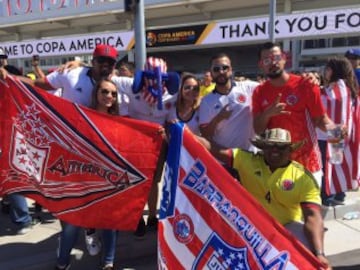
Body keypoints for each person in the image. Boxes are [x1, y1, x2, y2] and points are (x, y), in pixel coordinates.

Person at [0, 44, 121, 269]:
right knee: (71, 215)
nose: (105, 65)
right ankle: (65, 255)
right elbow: (41, 84)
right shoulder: (72, 74)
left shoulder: (117, 83)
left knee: (105, 213)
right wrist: (11, 79)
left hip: (101, 162)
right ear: (93, 61)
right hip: (70, 158)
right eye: (101, 61)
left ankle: (103, 252)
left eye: (110, 62)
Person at [198, 128, 331, 270]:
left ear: (289, 150)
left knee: (306, 247)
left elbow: (313, 217)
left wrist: (319, 253)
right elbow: (214, 148)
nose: (275, 150)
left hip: (285, 228)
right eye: (270, 145)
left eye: (281, 146)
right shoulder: (247, 160)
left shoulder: (303, 178)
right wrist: (184, 131)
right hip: (251, 227)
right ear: (263, 147)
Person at [252, 41, 342, 186]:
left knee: (310, 209)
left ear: (284, 58)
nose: (273, 63)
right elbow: (258, 129)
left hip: (308, 164)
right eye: (267, 60)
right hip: (277, 165)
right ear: (261, 64)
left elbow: (321, 120)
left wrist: (338, 137)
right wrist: (268, 113)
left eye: (276, 58)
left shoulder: (305, 85)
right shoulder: (259, 91)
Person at [90, 78, 125, 270]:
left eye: (113, 93)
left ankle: (108, 262)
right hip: (90, 175)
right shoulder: (83, 116)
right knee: (99, 219)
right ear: (96, 93)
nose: (109, 96)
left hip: (113, 177)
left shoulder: (119, 120)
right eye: (104, 92)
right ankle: (92, 232)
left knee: (112, 219)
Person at [317, 57, 359, 205]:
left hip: (329, 134)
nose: (325, 72)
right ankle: (339, 194)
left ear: (334, 71)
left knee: (328, 164)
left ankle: (327, 196)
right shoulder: (349, 86)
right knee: (337, 163)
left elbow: (328, 101)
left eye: (327, 69)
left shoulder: (338, 87)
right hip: (340, 133)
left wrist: (316, 92)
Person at [199, 52, 259, 152]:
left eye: (225, 67)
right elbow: (205, 133)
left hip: (250, 156)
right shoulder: (206, 101)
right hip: (224, 159)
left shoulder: (248, 87)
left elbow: (271, 87)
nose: (221, 71)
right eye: (216, 69)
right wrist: (218, 118)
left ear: (231, 70)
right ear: (211, 72)